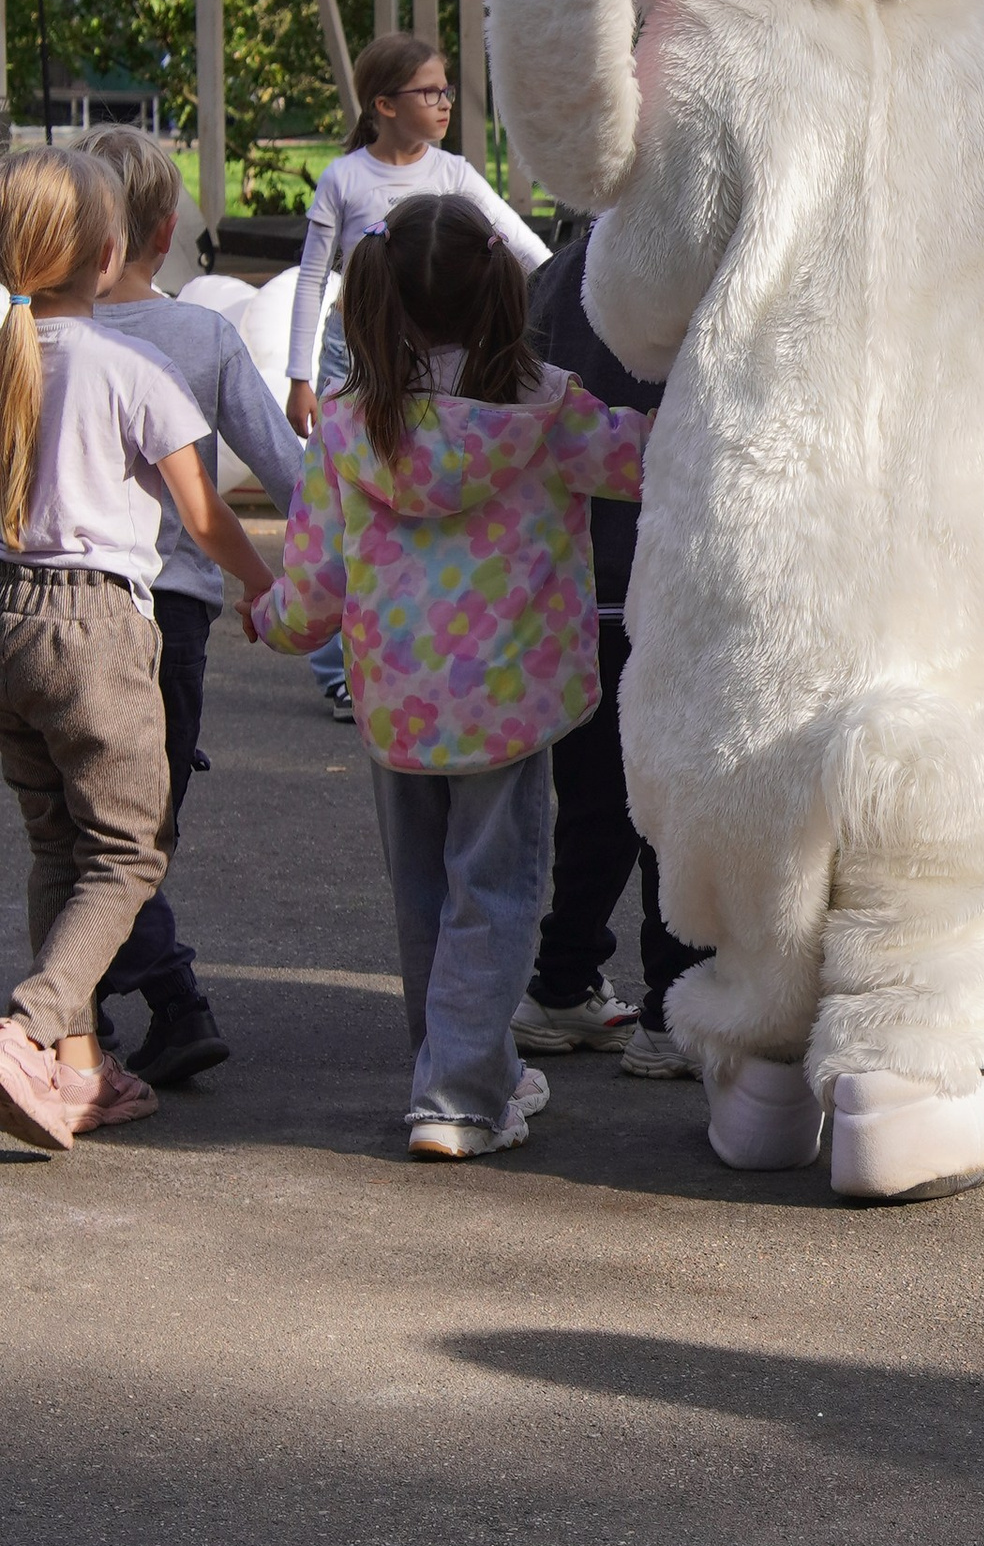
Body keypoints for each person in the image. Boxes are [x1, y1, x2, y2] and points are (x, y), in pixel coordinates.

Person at [252, 198, 648, 1160]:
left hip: (396, 701)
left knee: (424, 894)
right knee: (499, 892)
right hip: (511, 701)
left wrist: (269, 622)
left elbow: (310, 584)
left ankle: (460, 1065)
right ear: (505, 293)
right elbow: (651, 463)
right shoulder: (550, 411)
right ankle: (461, 1095)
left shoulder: (348, 428)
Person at [0, 149, 274, 1156]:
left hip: (6, 619)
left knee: (55, 847)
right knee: (126, 851)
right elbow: (205, 520)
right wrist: (268, 587)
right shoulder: (134, 369)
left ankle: (78, 1074)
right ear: (112, 253)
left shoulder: (6, 357)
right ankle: (29, 1031)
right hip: (96, 628)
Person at [84, 125, 303, 1087]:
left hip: (58, 605)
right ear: (169, 226)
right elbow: (286, 476)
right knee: (143, 827)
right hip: (171, 614)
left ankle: (104, 1005)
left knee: (84, 820)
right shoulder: (202, 335)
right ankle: (161, 997)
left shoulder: (38, 336)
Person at [285, 35, 550, 721]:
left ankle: (417, 640)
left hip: (439, 366)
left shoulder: (456, 174)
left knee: (408, 497)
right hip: (358, 355)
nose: (443, 103)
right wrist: (299, 375)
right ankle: (333, 666)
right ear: (382, 106)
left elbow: (520, 247)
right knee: (341, 499)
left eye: (444, 89)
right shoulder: (345, 179)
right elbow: (314, 280)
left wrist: (569, 287)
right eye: (428, 92)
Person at [510, 222, 709, 1078]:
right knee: (669, 805)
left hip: (574, 584)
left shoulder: (553, 277)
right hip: (665, 567)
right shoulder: (688, 266)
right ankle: (669, 1006)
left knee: (594, 803)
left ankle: (562, 981)